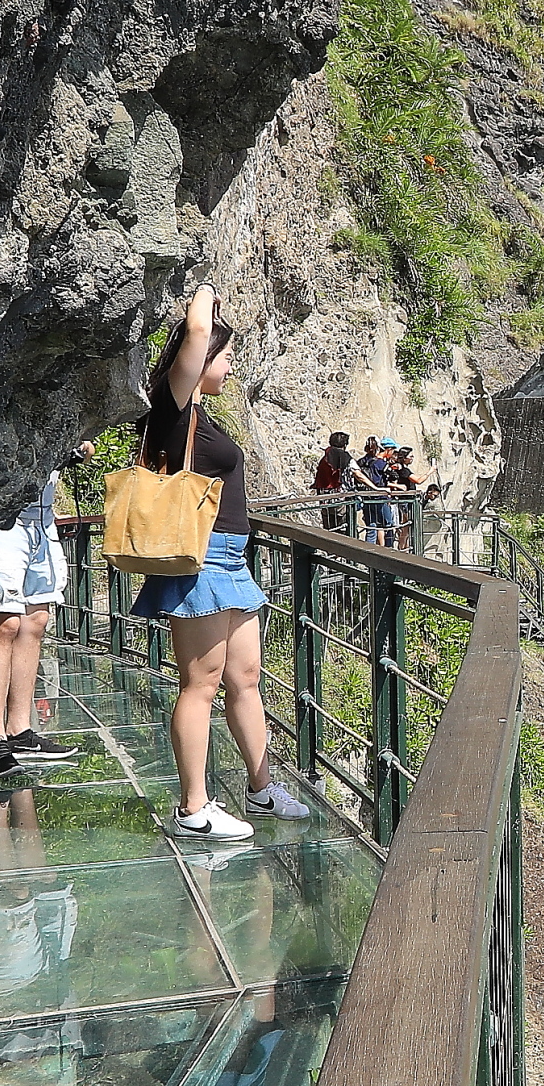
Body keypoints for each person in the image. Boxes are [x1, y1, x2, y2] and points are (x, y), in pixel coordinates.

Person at [126, 288, 314, 840]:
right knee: (200, 683)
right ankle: (193, 809)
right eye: (225, 357)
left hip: (232, 559)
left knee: (246, 679)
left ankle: (260, 789)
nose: (230, 367)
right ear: (200, 359)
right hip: (199, 562)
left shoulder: (199, 415)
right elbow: (199, 331)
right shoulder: (171, 405)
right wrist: (204, 285)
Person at [0, 470, 76, 780]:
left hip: (43, 524)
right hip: (5, 520)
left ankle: (20, 730)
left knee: (36, 621)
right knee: (5, 623)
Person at [312, 430, 354, 533]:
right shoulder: (344, 457)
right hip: (340, 500)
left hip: (325, 500)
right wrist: (376, 488)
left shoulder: (325, 457)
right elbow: (357, 473)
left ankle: (330, 548)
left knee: (329, 530)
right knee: (343, 530)